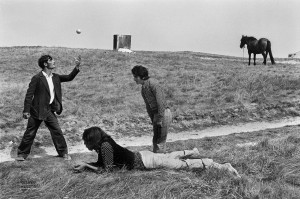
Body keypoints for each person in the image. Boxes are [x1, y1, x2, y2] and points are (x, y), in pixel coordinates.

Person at [73, 127, 241, 178]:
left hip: (147, 162)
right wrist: (87, 165)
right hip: (143, 156)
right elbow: (104, 164)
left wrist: (86, 165)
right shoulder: (105, 143)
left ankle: (221, 166)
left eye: (86, 141)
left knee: (183, 166)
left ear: (93, 140)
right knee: (167, 157)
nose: (85, 144)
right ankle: (192, 151)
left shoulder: (105, 147)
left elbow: (106, 170)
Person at [15, 54, 82, 161]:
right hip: (36, 110)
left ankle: (63, 153)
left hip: (49, 110)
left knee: (57, 131)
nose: (54, 61)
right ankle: (21, 154)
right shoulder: (37, 78)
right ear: (45, 64)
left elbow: (69, 77)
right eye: (51, 60)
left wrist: (77, 67)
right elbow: (29, 95)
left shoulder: (55, 77)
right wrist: (26, 110)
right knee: (30, 133)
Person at [131, 65, 172, 153]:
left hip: (163, 113)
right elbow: (148, 106)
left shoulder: (153, 84)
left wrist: (160, 118)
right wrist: (153, 118)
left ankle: (161, 162)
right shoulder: (143, 88)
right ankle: (157, 161)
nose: (134, 79)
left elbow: (160, 102)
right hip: (156, 114)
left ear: (141, 76)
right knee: (156, 140)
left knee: (160, 141)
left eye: (135, 77)